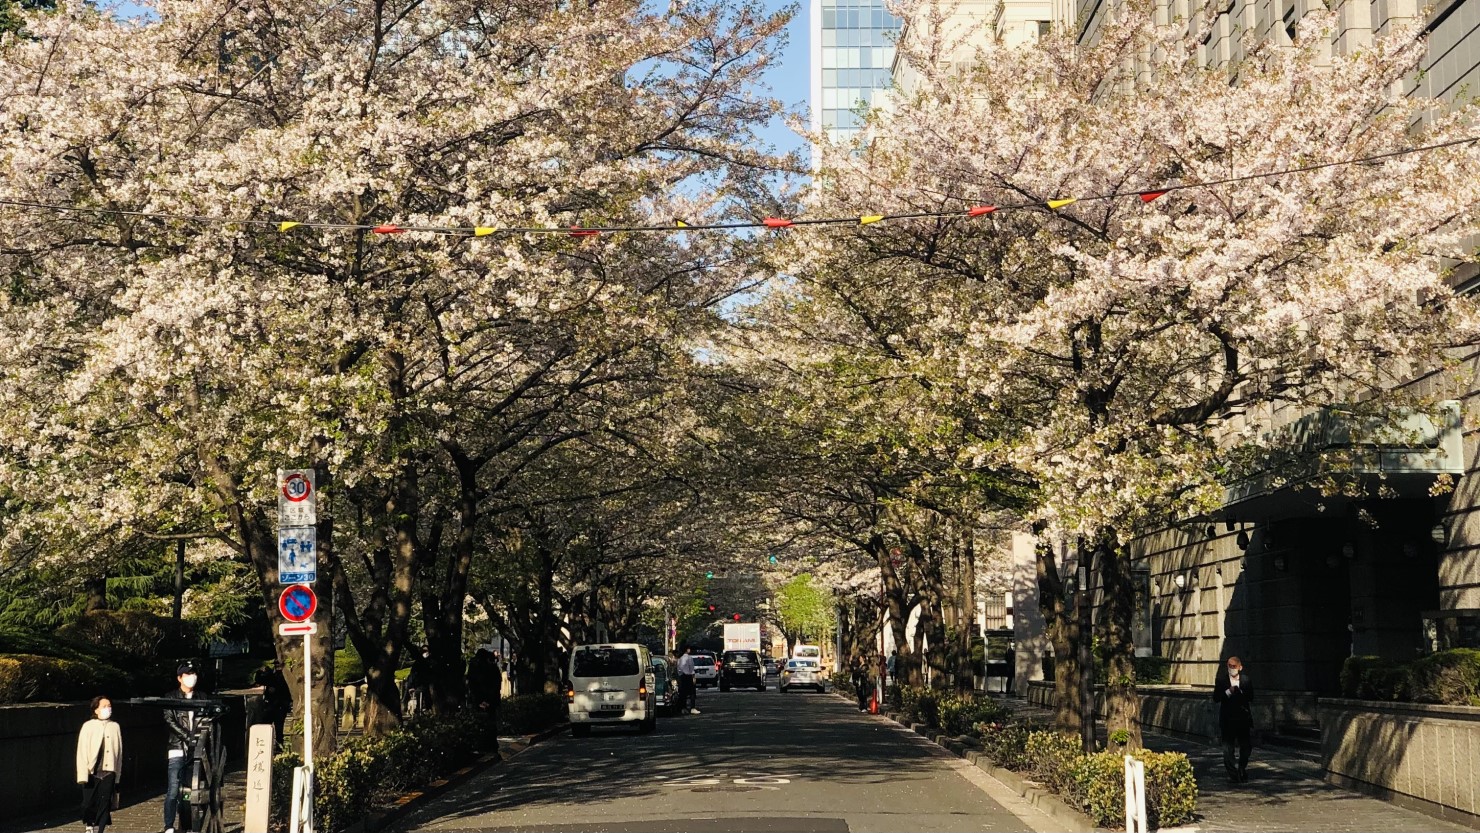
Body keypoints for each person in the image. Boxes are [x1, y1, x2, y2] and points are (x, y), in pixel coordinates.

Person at [163, 660, 207, 833]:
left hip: (197, 748)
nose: (192, 677)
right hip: (177, 746)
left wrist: (198, 738)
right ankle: (168, 825)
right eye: (188, 674)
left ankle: (187, 824)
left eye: (193, 673)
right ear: (180, 678)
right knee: (174, 788)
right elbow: (169, 719)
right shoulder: (171, 697)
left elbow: (207, 720)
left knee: (190, 789)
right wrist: (188, 736)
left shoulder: (202, 697)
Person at [76, 694, 122, 833]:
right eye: (104, 706)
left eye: (109, 706)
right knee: (88, 803)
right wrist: (82, 773)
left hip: (109, 771)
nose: (108, 709)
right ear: (96, 710)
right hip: (92, 771)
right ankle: (89, 824)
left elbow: (119, 753)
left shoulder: (115, 726)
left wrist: (117, 775)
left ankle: (99, 829)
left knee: (105, 804)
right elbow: (82, 750)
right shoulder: (88, 726)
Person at [1213, 655, 1254, 783]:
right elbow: (1216, 698)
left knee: (1246, 747)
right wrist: (1228, 692)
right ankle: (1233, 773)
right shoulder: (1221, 680)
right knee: (1227, 749)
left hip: (1242, 719)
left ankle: (1242, 767)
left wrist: (1240, 692)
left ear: (1240, 667)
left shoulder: (1246, 680)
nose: (1232, 669)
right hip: (1227, 720)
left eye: (1234, 666)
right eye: (1229, 666)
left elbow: (1251, 697)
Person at [253, 659, 290, 749]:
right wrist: (260, 671)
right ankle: (265, 743)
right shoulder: (271, 675)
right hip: (271, 704)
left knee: (279, 727)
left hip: (281, 704)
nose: (277, 667)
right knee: (265, 724)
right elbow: (259, 680)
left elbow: (286, 690)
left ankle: (279, 745)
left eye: (279, 665)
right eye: (276, 665)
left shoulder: (286, 676)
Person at [467, 646, 503, 724]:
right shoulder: (492, 668)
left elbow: (472, 684)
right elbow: (497, 684)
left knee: (480, 720)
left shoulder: (474, 667)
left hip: (480, 699)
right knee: (490, 720)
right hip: (489, 699)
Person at [403, 647, 431, 716]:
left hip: (425, 685)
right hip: (418, 685)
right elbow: (413, 675)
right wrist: (410, 686)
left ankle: (424, 709)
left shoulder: (429, 662)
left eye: (426, 651)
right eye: (424, 651)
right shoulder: (418, 663)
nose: (425, 653)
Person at [676, 645, 699, 715]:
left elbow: (678, 669)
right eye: (689, 649)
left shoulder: (680, 659)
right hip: (688, 676)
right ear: (687, 650)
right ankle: (692, 708)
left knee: (683, 694)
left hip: (682, 677)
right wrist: (693, 677)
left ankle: (683, 708)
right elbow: (692, 669)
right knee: (692, 693)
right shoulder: (689, 658)